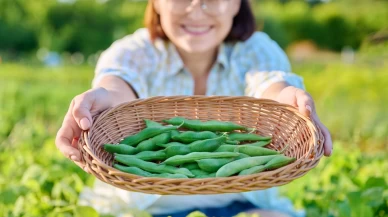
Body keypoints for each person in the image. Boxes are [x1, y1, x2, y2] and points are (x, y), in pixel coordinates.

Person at [55, 0, 333, 216]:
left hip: (240, 203)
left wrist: (287, 97)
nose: (196, 10)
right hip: (143, 208)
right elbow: (119, 87)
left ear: (237, 3)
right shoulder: (132, 51)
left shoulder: (256, 50)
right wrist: (103, 97)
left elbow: (270, 84)